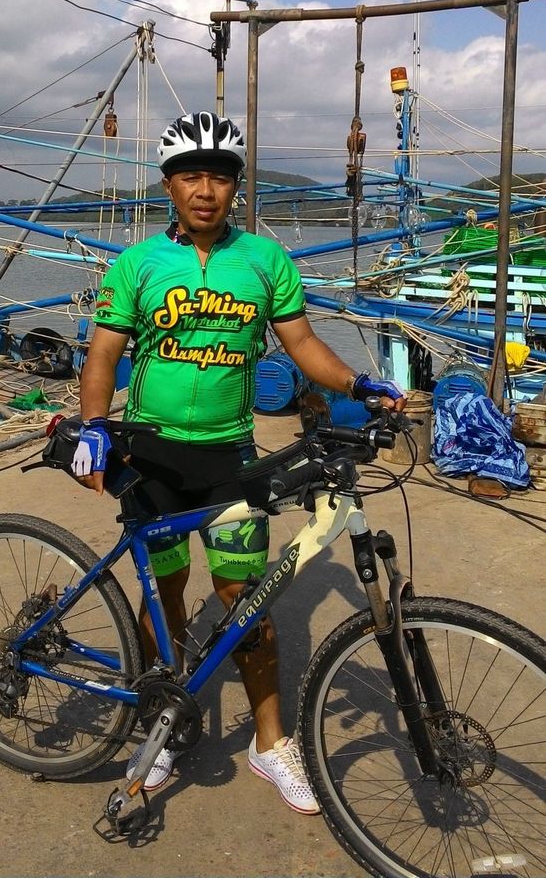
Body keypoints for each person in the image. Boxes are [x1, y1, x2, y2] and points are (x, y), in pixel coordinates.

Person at [75, 110, 405, 814]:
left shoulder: (264, 261)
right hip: (152, 456)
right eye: (191, 176)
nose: (206, 190)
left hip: (229, 456)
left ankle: (270, 742)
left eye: (220, 178)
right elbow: (102, 353)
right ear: (169, 185)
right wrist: (94, 426)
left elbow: (301, 344)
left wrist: (356, 384)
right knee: (164, 594)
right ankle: (160, 725)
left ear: (235, 187)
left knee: (246, 601)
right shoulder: (136, 265)